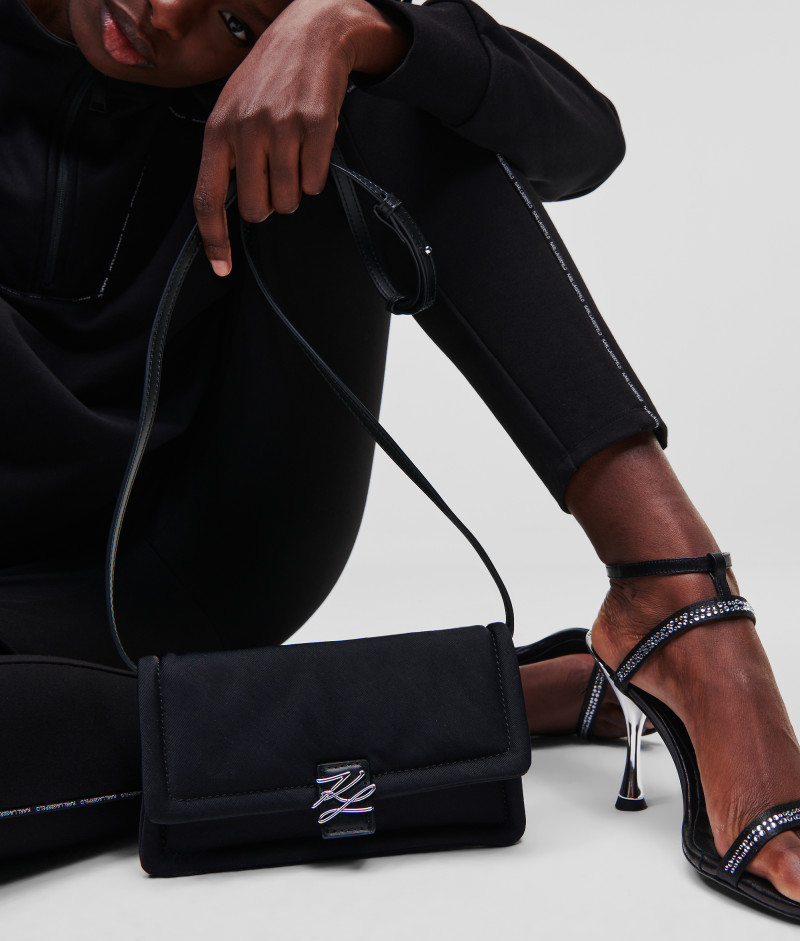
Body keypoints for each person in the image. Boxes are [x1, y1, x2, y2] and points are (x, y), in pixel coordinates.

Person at [1, 0, 798, 916]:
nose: (165, 13)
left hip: (204, 549)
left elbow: (584, 143)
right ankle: (469, 703)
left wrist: (351, 26)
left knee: (372, 86)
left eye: (234, 22)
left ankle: (681, 605)